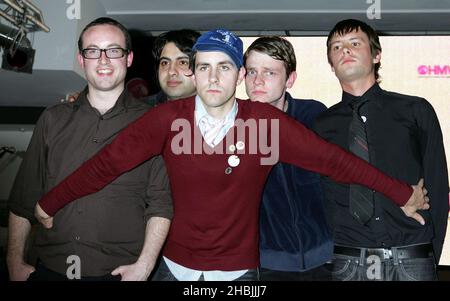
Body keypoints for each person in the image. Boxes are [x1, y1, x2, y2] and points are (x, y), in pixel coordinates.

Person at [34, 29, 428, 281]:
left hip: (239, 273)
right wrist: (52, 202)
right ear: (193, 74)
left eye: (224, 67)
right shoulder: (168, 118)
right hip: (172, 267)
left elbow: (335, 162)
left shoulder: (267, 123)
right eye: (203, 67)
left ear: (239, 74)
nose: (213, 77)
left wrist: (400, 192)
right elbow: (109, 163)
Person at [6, 17, 172, 281]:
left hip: (120, 272)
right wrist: (14, 260)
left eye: (113, 50)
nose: (103, 60)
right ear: (81, 60)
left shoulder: (153, 123)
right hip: (49, 269)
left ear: (128, 58)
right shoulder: (52, 119)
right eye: (93, 51)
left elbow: (161, 205)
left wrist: (145, 265)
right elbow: (23, 199)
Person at [312, 19, 448, 281]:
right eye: (336, 47)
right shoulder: (321, 126)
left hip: (412, 257)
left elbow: (439, 187)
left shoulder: (415, 110)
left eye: (355, 43)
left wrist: (430, 257)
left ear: (376, 55)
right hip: (348, 260)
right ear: (331, 65)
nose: (345, 50)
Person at [244, 36, 332, 281]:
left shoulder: (314, 115)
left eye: (269, 72)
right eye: (251, 71)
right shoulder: (234, 127)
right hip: (268, 264)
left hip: (326, 260)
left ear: (289, 79)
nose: (257, 80)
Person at [144, 29, 200, 106]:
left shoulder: (218, 112)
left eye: (183, 62)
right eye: (165, 63)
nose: (171, 71)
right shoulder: (139, 110)